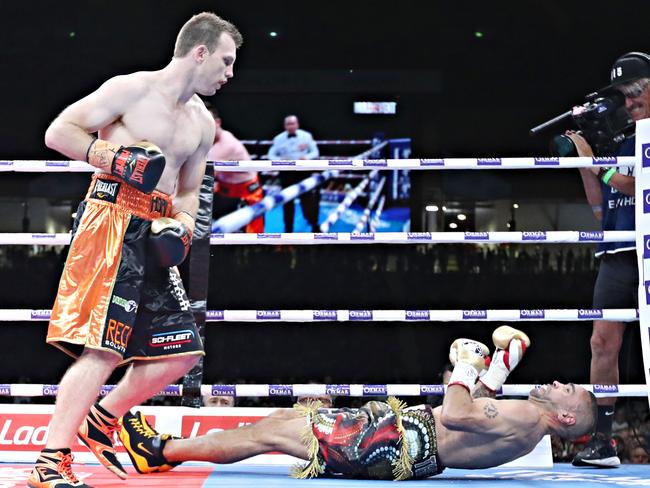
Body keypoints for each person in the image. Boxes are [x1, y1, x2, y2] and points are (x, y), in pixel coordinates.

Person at [28, 12, 243, 488]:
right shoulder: (130, 89)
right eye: (225, 61)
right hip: (110, 220)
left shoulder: (202, 123)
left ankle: (102, 417)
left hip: (156, 227)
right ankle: (49, 462)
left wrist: (183, 225)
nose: (230, 73)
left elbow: (189, 189)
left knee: (183, 352)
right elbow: (59, 131)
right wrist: (115, 159)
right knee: (102, 351)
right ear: (199, 51)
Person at [120, 327, 598, 481]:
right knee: (285, 419)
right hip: (398, 440)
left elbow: (456, 414)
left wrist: (468, 367)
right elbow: (475, 419)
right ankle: (171, 449)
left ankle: (161, 452)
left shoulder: (525, 418)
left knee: (265, 434)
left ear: (567, 416)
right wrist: (496, 372)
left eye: (568, 390)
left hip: (388, 441)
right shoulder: (525, 425)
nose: (559, 382)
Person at [565, 51, 650, 468]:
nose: (629, 103)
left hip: (648, 251)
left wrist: (597, 166)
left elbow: (638, 187)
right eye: (623, 97)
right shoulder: (621, 140)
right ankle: (603, 442)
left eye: (636, 94)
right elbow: (602, 207)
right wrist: (586, 159)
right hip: (616, 252)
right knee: (602, 343)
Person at [206, 104, 264, 233]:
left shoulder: (225, 144)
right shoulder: (209, 140)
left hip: (247, 192)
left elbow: (203, 175)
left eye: (208, 122)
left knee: (250, 237)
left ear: (218, 122)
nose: (205, 127)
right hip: (225, 190)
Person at [267, 115, 321, 232]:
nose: (291, 126)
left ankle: (314, 226)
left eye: (293, 123)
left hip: (303, 172)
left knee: (308, 201)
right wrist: (280, 161)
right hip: (286, 174)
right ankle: (288, 231)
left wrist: (306, 157)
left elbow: (315, 152)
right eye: (288, 124)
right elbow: (271, 155)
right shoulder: (278, 139)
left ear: (297, 124)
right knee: (287, 202)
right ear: (285, 126)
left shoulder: (306, 136)